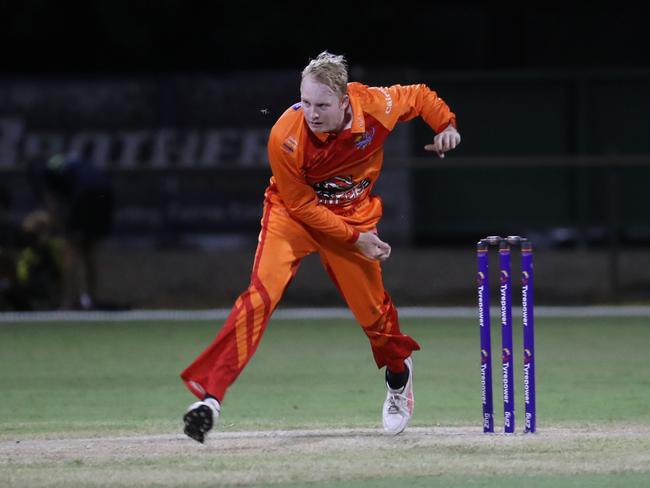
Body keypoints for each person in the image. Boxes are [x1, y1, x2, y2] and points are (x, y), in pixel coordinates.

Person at [181, 51, 461, 442]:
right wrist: (355, 240)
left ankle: (399, 376)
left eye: (322, 105)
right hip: (293, 217)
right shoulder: (286, 135)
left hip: (352, 216)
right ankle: (210, 398)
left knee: (374, 317)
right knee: (259, 297)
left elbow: (418, 95)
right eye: (306, 102)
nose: (312, 113)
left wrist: (445, 124)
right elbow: (301, 205)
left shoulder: (375, 106)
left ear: (345, 101)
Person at [28, 153, 113, 310]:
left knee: (70, 250)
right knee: (89, 249)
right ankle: (91, 300)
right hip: (106, 190)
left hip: (85, 192)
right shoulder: (67, 160)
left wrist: (52, 231)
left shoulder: (44, 171)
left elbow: (52, 204)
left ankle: (68, 303)